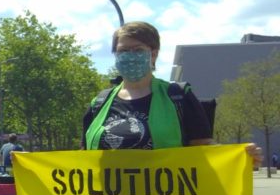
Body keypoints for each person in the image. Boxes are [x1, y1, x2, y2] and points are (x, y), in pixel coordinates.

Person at [82, 21, 262, 164]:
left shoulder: (178, 96)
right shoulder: (100, 103)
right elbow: (84, 157)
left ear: (153, 54)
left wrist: (241, 158)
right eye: (123, 50)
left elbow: (204, 150)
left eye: (138, 50)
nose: (130, 56)